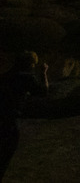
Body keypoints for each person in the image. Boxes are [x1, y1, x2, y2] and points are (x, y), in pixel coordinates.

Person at [0, 52, 47, 181]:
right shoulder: (26, 78)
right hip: (10, 119)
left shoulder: (6, 76)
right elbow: (43, 92)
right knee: (7, 151)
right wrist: (43, 73)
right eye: (33, 64)